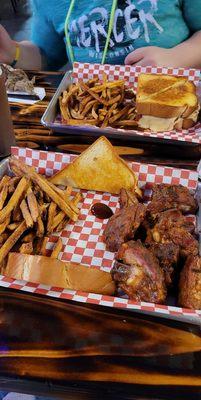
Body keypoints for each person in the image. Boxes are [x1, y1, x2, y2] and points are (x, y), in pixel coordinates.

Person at [0, 0, 201, 70]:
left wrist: (178, 57)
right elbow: (46, 57)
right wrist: (12, 52)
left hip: (175, 102)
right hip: (95, 116)